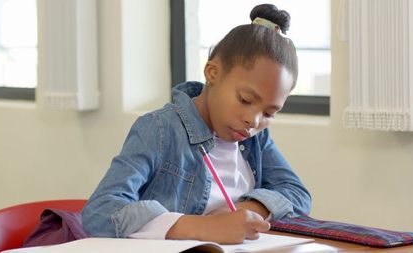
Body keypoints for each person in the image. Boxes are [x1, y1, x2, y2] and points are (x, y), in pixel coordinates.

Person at [82, 3, 311, 244]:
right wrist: (204, 227)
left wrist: (246, 208)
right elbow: (100, 212)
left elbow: (298, 194)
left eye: (269, 113)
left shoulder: (255, 138)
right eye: (245, 100)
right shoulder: (159, 129)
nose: (252, 121)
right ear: (213, 73)